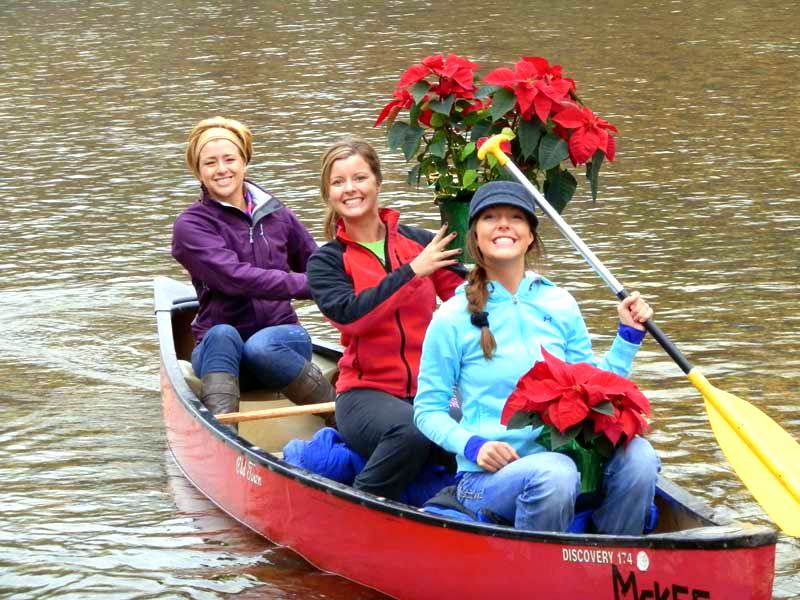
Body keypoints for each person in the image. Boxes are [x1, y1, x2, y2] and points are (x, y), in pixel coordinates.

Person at [413, 180, 660, 534]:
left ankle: (614, 561)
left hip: (570, 464)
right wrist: (473, 445)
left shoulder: (559, 303)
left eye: (515, 217)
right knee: (554, 471)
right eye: (490, 217)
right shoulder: (451, 319)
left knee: (640, 457)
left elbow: (591, 389)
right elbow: (427, 410)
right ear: (476, 237)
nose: (503, 224)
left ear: (530, 236)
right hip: (488, 479)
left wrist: (628, 336)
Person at [307, 138, 466, 500]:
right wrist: (412, 272)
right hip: (365, 394)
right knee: (410, 431)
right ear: (328, 194)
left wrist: (498, 255)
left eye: (359, 178)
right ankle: (360, 509)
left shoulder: (422, 243)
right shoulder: (327, 261)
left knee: (473, 433)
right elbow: (352, 317)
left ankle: (461, 513)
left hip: (431, 387)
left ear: (378, 182)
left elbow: (471, 298)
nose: (350, 189)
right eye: (338, 182)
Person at [172, 116, 334, 424]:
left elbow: (318, 265)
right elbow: (235, 278)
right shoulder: (191, 225)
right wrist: (306, 285)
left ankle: (341, 416)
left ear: (244, 161)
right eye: (210, 163)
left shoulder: (278, 215)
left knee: (263, 346)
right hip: (219, 353)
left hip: (282, 342)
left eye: (229, 159)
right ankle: (224, 431)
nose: (222, 169)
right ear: (199, 172)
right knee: (222, 334)